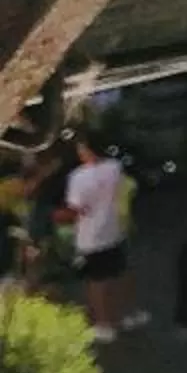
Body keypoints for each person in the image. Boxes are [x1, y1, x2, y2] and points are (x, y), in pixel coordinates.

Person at [65, 133, 144, 342]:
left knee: (96, 282)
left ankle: (103, 324)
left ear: (88, 150)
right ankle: (128, 315)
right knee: (119, 274)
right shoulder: (114, 167)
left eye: (81, 148)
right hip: (114, 230)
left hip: (91, 237)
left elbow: (75, 208)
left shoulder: (78, 177)